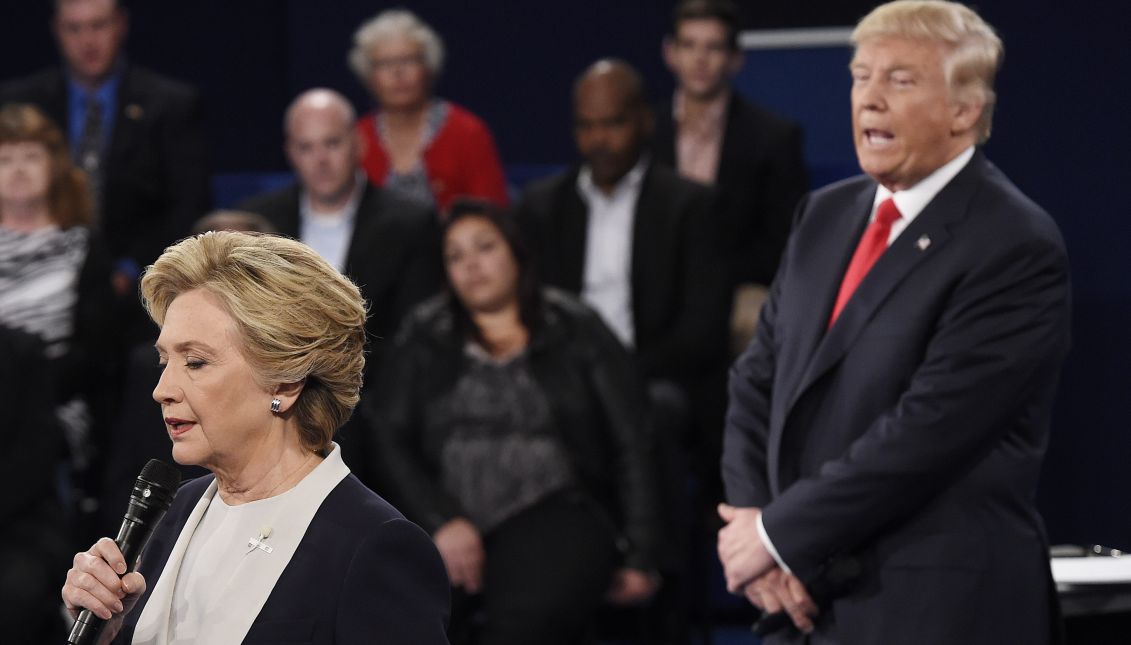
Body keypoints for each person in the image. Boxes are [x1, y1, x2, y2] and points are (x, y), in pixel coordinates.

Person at [717, 2, 1071, 643]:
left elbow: (926, 433)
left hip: (932, 606)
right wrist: (752, 522)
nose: (869, 100)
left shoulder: (1013, 244)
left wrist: (776, 536)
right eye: (860, 77)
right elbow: (756, 379)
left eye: (900, 81)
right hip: (803, 600)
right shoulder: (822, 216)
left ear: (965, 112)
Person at [60, 231, 450, 644]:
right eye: (164, 360)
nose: (162, 389)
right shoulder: (174, 515)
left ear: (285, 382)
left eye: (195, 362)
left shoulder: (374, 547)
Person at [370, 200, 660, 644]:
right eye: (455, 255)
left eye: (485, 247)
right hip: (448, 516)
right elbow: (390, 435)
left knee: (521, 626)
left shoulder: (575, 327)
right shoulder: (424, 334)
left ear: (517, 253)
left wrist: (641, 553)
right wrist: (440, 520)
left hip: (559, 511)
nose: (471, 265)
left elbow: (632, 440)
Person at [0, 0, 212, 305]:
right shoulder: (19, 104)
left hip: (139, 287)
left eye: (98, 26)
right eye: (74, 29)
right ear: (56, 31)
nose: (87, 41)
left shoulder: (171, 105)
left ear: (121, 24)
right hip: (28, 277)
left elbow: (188, 206)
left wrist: (135, 270)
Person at [0, 102, 118, 544]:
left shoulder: (81, 246)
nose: (18, 170)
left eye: (30, 156)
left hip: (56, 405)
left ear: (54, 164)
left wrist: (32, 387)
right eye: (6, 158)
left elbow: (97, 350)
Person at [655, 0, 808, 288]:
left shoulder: (774, 138)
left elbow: (785, 240)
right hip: (656, 288)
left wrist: (712, 273)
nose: (700, 58)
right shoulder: (645, 133)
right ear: (670, 53)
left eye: (713, 47)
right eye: (689, 45)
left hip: (736, 288)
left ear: (735, 58)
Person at [348, 9, 509, 213]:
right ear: (368, 76)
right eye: (385, 64)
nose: (397, 73)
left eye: (409, 60)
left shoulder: (468, 132)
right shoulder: (356, 137)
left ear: (428, 67)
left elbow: (493, 214)